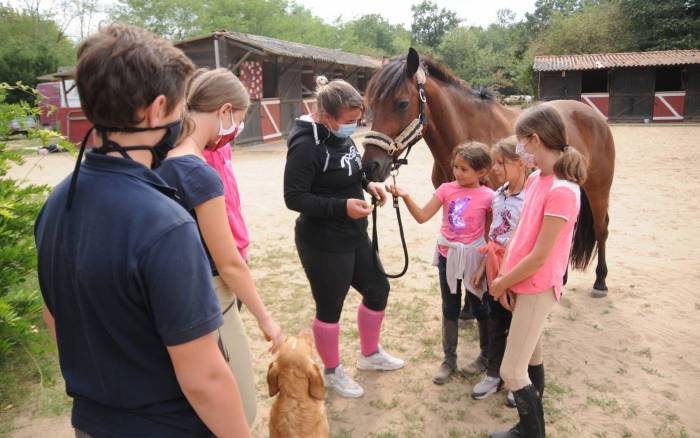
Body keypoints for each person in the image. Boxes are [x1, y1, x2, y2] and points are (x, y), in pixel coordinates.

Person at [34, 23, 250, 437]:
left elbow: (54, 316)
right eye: (179, 109)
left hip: (93, 423)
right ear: (155, 110)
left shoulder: (57, 202)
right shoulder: (165, 223)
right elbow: (204, 377)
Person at [157, 68, 284, 425]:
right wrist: (266, 318)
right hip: (211, 299)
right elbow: (228, 263)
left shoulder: (157, 163)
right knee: (240, 409)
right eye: (238, 121)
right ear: (224, 111)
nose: (235, 130)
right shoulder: (198, 173)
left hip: (169, 298)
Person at [284, 76, 404, 398]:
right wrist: (341, 208)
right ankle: (332, 370)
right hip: (322, 241)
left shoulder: (341, 136)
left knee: (378, 288)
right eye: (349, 122)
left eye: (357, 120)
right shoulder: (305, 145)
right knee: (330, 306)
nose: (354, 127)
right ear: (327, 117)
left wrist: (369, 185)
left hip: (352, 233)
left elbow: (354, 170)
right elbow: (294, 198)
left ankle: (369, 355)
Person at [489, 104, 586, 438]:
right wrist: (505, 271)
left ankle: (532, 434)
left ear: (534, 139)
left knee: (511, 371)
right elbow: (519, 234)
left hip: (538, 284)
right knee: (531, 357)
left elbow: (541, 255)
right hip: (522, 281)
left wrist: (502, 282)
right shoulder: (535, 179)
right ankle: (526, 428)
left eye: (520, 143)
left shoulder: (563, 190)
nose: (520, 151)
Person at [387, 142, 494, 385]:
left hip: (474, 257)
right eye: (456, 167)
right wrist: (405, 196)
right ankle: (449, 359)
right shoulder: (446, 190)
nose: (457, 173)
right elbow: (423, 216)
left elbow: (492, 234)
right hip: (448, 255)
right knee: (450, 307)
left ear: (482, 172)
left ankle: (486, 356)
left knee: (480, 308)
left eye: (464, 169)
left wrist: (484, 264)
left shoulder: (489, 197)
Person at [469, 137, 528, 404]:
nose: (494, 168)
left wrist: (509, 273)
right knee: (495, 320)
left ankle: (519, 381)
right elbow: (494, 235)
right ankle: (494, 374)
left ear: (520, 163)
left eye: (501, 163)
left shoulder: (529, 199)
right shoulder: (499, 194)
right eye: (494, 163)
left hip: (517, 268)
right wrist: (484, 266)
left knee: (520, 327)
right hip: (495, 266)